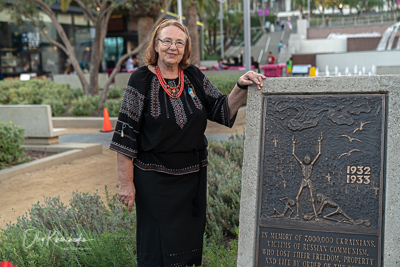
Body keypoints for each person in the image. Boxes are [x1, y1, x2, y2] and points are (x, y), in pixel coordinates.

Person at [109, 19, 266, 267]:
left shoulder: (192, 75)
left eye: (179, 42)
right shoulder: (140, 80)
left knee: (188, 244)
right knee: (158, 245)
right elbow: (125, 135)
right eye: (167, 41)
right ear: (156, 45)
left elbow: (221, 110)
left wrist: (240, 85)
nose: (173, 47)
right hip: (154, 181)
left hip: (192, 179)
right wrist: (126, 184)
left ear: (186, 47)